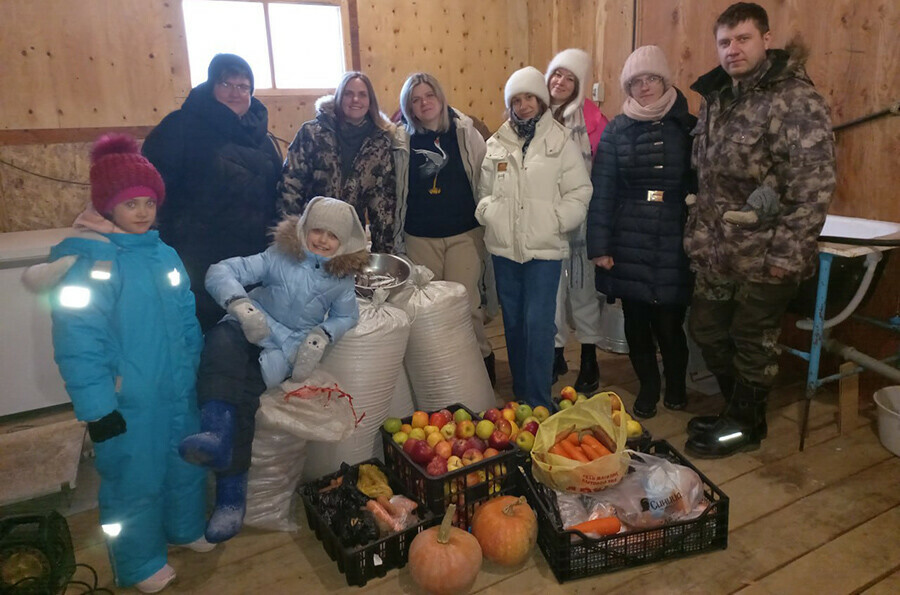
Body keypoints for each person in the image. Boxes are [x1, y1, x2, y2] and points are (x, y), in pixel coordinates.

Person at [23, 135, 211, 593]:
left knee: (185, 465)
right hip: (127, 404)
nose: (143, 212)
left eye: (149, 201)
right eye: (131, 203)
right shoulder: (91, 265)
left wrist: (195, 371)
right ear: (109, 207)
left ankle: (184, 528)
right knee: (134, 483)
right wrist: (98, 407)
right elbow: (78, 340)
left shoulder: (164, 254)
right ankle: (140, 561)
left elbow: (187, 318)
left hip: (176, 391)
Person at [683, 2, 835, 457]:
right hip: (717, 249)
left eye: (743, 39)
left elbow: (812, 187)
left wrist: (785, 258)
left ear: (766, 39)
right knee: (707, 329)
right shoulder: (718, 98)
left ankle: (746, 425)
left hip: (767, 253)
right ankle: (736, 408)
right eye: (725, 42)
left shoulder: (794, 99)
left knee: (753, 339)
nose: (733, 50)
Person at [178, 196, 368, 543]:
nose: (323, 240)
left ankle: (231, 498)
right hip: (251, 326)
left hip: (282, 351)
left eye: (332, 236)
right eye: (318, 230)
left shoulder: (341, 282)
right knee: (219, 347)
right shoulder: (278, 256)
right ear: (304, 228)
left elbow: (347, 316)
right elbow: (222, 271)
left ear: (345, 244)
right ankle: (214, 434)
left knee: (247, 399)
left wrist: (322, 335)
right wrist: (240, 304)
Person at [586, 46, 697, 419]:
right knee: (635, 321)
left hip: (674, 233)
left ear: (665, 81)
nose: (644, 87)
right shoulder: (618, 129)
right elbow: (603, 189)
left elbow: (702, 181)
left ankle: (677, 384)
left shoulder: (688, 126)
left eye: (651, 79)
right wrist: (600, 247)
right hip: (627, 233)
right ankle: (648, 386)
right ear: (628, 87)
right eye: (636, 81)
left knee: (669, 321)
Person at [476, 66, 592, 410]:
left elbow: (580, 190)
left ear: (541, 101)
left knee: (539, 324)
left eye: (530, 98)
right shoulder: (496, 143)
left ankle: (539, 401)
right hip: (504, 250)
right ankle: (521, 395)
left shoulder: (560, 140)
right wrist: (490, 214)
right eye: (517, 99)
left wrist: (558, 221)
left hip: (544, 251)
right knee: (513, 323)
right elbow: (483, 193)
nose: (523, 105)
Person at [142, 53, 282, 333]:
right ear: (211, 86)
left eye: (243, 87)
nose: (235, 92)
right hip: (196, 256)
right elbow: (152, 186)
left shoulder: (263, 140)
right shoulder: (180, 128)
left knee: (247, 335)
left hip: (250, 260)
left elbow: (277, 194)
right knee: (199, 336)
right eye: (226, 84)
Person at [391, 73, 495, 383]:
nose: (424, 103)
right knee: (428, 312)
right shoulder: (400, 139)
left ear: (440, 97)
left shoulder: (466, 132)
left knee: (468, 308)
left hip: (464, 233)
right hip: (419, 236)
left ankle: (483, 379)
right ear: (408, 106)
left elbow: (486, 177)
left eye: (429, 95)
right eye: (415, 99)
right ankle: (439, 380)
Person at [545, 48, 610, 392]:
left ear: (579, 84)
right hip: (545, 216)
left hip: (582, 216)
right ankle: (556, 353)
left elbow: (601, 173)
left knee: (583, 290)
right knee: (550, 288)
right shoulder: (534, 112)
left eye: (570, 78)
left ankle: (589, 357)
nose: (561, 82)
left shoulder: (594, 121)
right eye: (557, 74)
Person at [279, 71, 396, 254]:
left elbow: (382, 203)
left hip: (347, 240)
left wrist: (382, 254)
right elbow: (291, 185)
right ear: (339, 97)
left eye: (362, 94)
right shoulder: (311, 133)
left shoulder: (380, 143)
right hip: (308, 237)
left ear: (370, 101)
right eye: (348, 93)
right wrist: (291, 236)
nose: (355, 99)